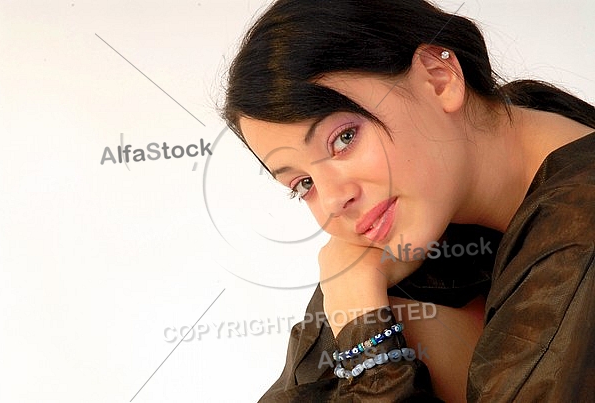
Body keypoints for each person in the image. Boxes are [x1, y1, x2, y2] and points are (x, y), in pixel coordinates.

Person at [222, 0, 595, 401]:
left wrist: (363, 327)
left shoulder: (578, 231)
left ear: (439, 77)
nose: (333, 200)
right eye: (303, 183)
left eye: (344, 138)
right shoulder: (442, 223)